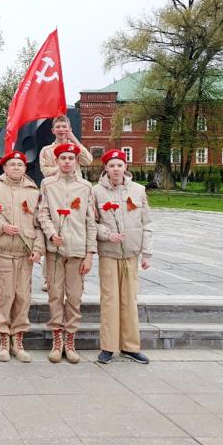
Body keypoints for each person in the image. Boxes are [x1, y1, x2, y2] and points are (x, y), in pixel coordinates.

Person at [92, 149, 153, 365]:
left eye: (119, 165)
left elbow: (146, 223)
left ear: (125, 167)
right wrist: (107, 234)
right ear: (105, 168)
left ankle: (130, 347)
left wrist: (147, 253)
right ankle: (108, 346)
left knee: (129, 300)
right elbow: (92, 222)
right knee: (110, 300)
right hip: (109, 253)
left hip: (131, 254)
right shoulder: (97, 192)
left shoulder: (138, 190)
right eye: (111, 165)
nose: (116, 169)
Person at [38, 143, 96, 364]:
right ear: (57, 161)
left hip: (77, 250)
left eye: (71, 158)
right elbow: (42, 213)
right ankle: (56, 340)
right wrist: (52, 234)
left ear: (76, 161)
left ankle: (70, 341)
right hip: (55, 251)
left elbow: (91, 221)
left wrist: (90, 253)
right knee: (55, 295)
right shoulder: (48, 184)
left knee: (73, 297)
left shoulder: (85, 187)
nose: (67, 162)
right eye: (63, 158)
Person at [0, 151, 44, 362]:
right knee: (4, 295)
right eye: (12, 164)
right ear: (4, 168)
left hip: (25, 254)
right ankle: (3, 340)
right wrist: (1, 226)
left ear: (25, 168)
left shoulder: (34, 192)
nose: (17, 168)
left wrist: (38, 249)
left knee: (22, 296)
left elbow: (40, 223)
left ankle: (18, 340)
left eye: (20, 164)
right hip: (3, 252)